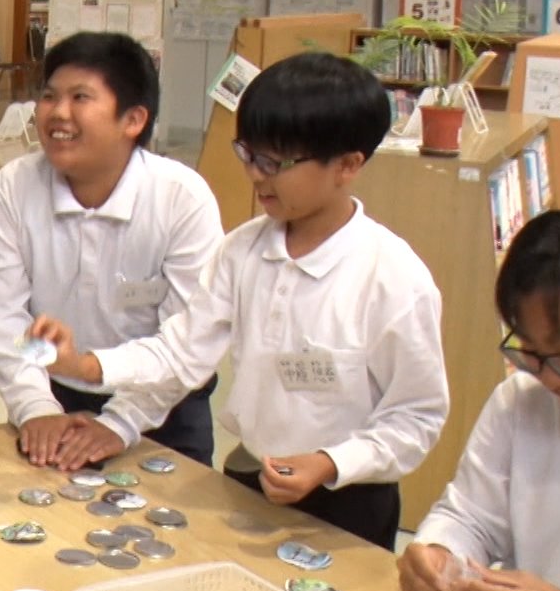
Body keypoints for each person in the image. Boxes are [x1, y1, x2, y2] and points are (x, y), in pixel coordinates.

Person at [31, 52, 449, 549]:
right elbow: (183, 352)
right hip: (253, 475)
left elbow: (417, 416)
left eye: (278, 162)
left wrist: (332, 463)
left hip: (350, 497)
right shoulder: (243, 250)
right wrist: (84, 364)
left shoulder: (393, 277)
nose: (256, 175)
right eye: (249, 154)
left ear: (348, 165)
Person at [0, 31, 224, 470]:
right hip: (54, 394)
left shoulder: (181, 197)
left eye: (80, 97)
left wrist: (122, 421)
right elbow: (0, 313)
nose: (58, 113)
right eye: (49, 96)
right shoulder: (15, 184)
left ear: (133, 119)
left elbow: (190, 341)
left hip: (165, 405)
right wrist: (35, 407)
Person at [399, 208, 560, 591]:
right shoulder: (522, 401)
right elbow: (471, 518)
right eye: (532, 353)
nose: (552, 380)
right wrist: (437, 554)